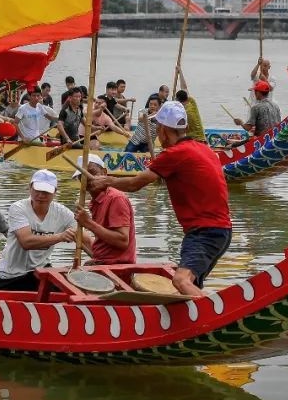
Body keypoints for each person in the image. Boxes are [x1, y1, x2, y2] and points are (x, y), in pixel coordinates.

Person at [88, 101, 231, 297]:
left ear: (164, 130)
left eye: (158, 128)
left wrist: (106, 182)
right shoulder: (204, 149)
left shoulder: (174, 154)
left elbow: (135, 184)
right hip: (222, 231)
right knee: (190, 285)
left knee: (180, 281)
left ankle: (218, 313)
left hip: (204, 231)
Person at [0, 170, 79, 292]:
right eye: (37, 190)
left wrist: (101, 260)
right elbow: (26, 242)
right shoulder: (18, 208)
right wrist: (61, 237)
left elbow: (83, 238)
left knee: (70, 292)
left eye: (46, 191)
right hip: (11, 276)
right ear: (30, 188)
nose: (41, 195)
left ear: (55, 192)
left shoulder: (63, 213)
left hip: (41, 271)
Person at [72, 154, 136, 265]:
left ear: (104, 173)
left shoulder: (115, 198)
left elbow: (122, 241)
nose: (87, 179)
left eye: (92, 173)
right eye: (82, 177)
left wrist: (88, 223)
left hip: (117, 266)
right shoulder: (96, 201)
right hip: (103, 262)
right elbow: (104, 244)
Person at [175, 69, 206, 142]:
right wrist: (180, 71)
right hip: (202, 137)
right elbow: (184, 87)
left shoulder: (183, 112)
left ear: (178, 100)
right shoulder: (192, 102)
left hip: (193, 141)